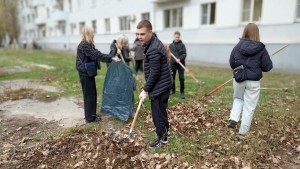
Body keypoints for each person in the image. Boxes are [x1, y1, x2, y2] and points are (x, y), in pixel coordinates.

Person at [228, 23, 273, 140]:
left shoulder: (238, 46)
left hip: (239, 79)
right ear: (257, 33)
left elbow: (232, 63)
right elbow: (268, 67)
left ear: (245, 32)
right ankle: (242, 133)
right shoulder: (261, 49)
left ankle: (233, 118)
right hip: (253, 82)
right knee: (249, 107)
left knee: (238, 98)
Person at [137, 20, 172, 148]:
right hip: (163, 83)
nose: (139, 37)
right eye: (138, 34)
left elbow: (154, 73)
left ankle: (162, 139)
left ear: (150, 32)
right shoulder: (152, 43)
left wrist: (146, 90)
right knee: (162, 110)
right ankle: (166, 132)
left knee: (157, 113)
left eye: (142, 34)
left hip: (160, 86)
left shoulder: (154, 49)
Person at [76, 27, 120, 123]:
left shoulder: (88, 44)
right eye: (92, 33)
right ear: (88, 34)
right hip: (85, 73)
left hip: (88, 72)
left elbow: (98, 54)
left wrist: (111, 54)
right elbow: (97, 55)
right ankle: (90, 118)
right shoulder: (84, 45)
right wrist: (111, 57)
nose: (93, 34)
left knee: (92, 94)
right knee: (89, 95)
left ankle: (92, 115)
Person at [169, 31, 187, 99]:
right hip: (173, 64)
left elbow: (184, 54)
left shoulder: (182, 45)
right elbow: (169, 54)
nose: (177, 38)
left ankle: (182, 92)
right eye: (176, 37)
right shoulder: (171, 45)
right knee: (172, 78)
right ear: (174, 37)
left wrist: (180, 58)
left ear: (179, 37)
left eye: (178, 37)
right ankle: (172, 90)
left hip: (180, 64)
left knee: (181, 78)